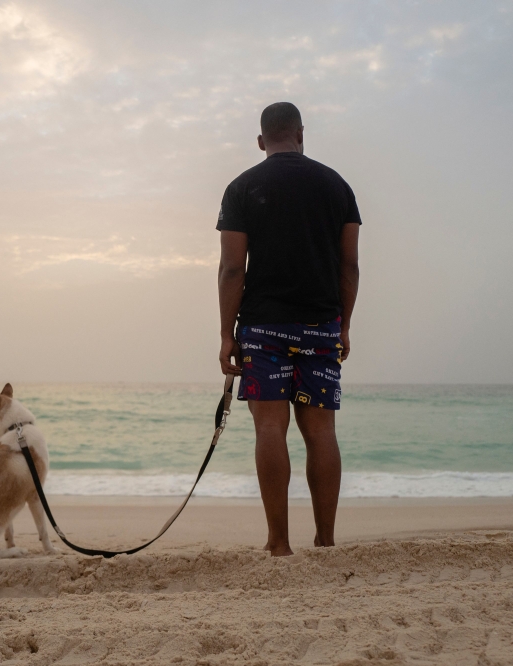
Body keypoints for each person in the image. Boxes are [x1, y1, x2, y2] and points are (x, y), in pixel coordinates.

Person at [216, 102, 360, 556]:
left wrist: (226, 334)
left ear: (262, 141)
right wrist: (344, 327)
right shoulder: (337, 186)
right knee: (321, 433)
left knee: (269, 431)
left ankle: (279, 544)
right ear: (301, 134)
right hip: (321, 325)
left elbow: (231, 270)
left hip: (263, 328)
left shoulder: (242, 187)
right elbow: (350, 266)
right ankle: (326, 540)